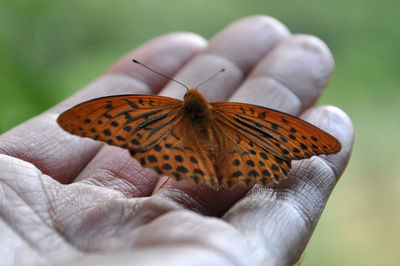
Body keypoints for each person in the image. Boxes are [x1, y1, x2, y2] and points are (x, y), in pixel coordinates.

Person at [0, 16, 353, 266]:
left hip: (177, 145)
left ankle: (208, 167)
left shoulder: (152, 109)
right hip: (235, 140)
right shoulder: (234, 110)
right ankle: (230, 169)